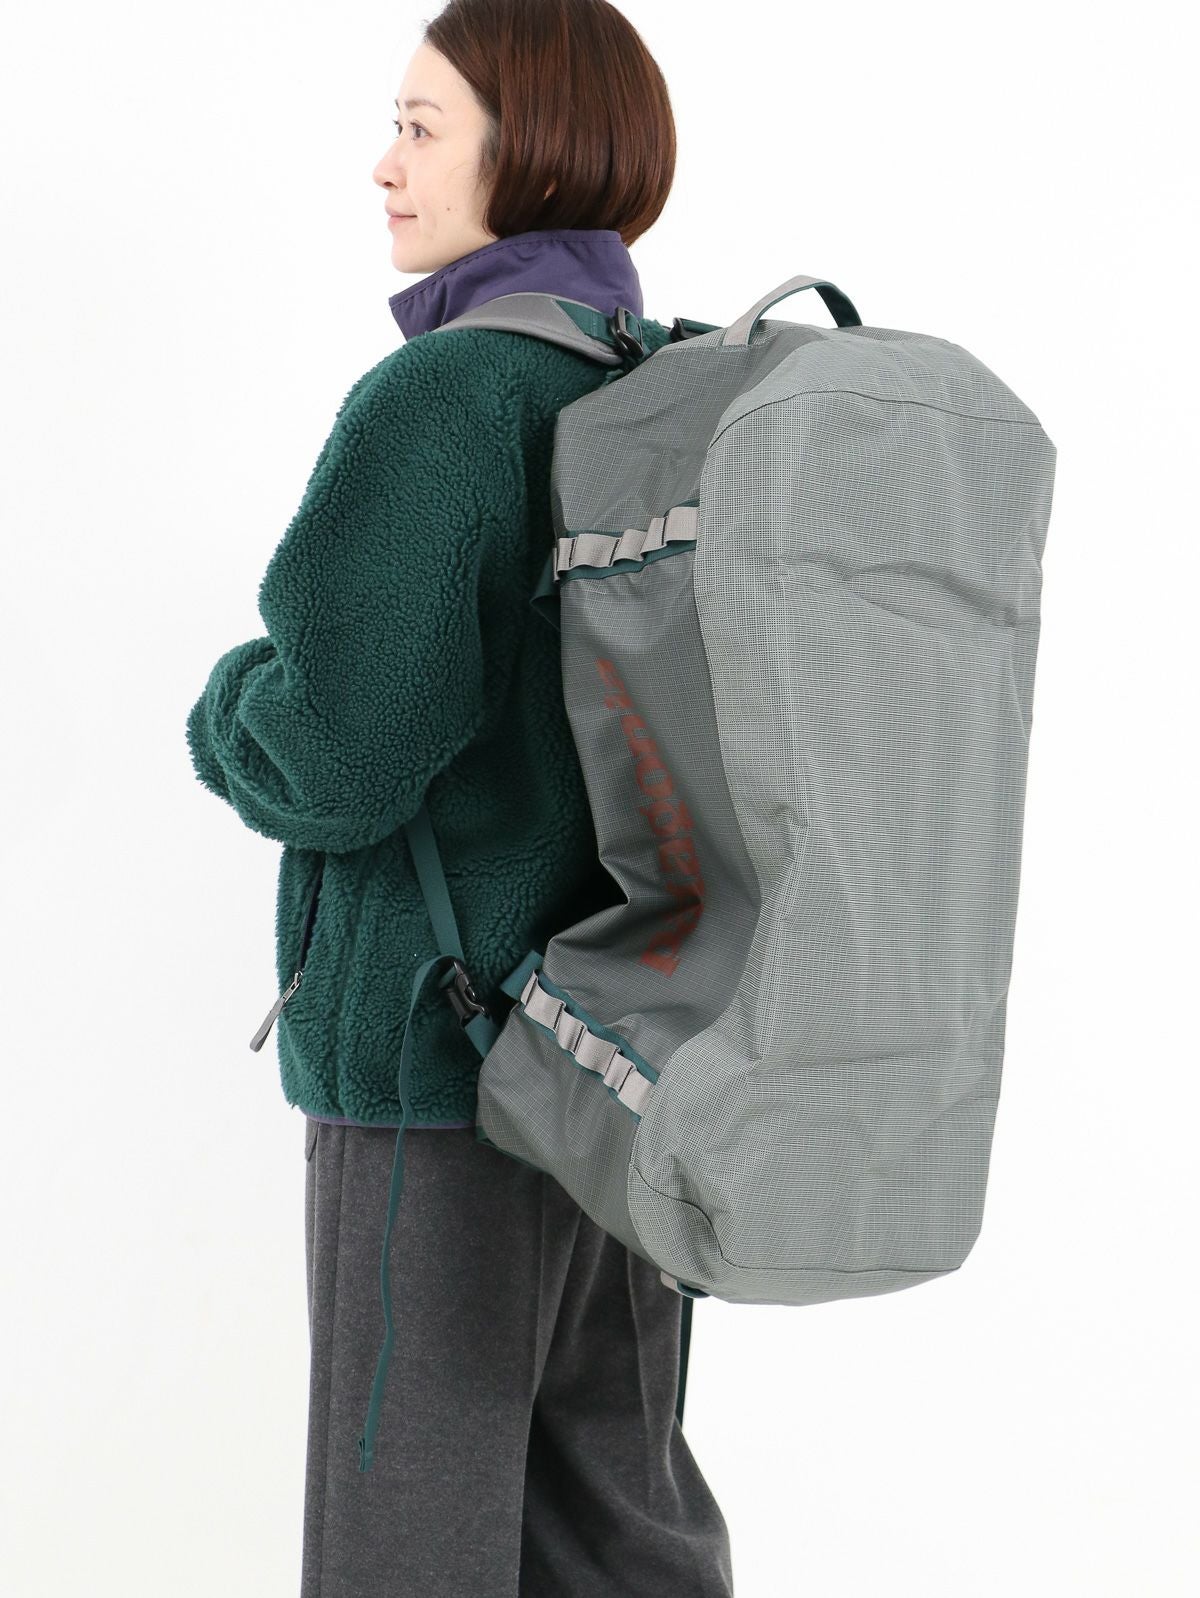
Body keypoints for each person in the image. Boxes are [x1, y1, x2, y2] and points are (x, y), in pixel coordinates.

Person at [185, 1, 734, 1593]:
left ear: (531, 151)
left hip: (438, 1076)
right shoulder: (668, 384)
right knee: (621, 1531)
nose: (385, 165)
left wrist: (226, 701)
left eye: (421, 128)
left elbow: (336, 755)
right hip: (627, 1063)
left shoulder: (443, 399)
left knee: (405, 1547)